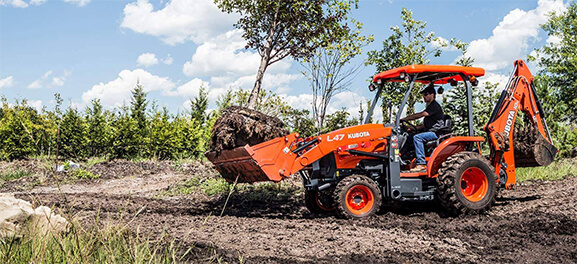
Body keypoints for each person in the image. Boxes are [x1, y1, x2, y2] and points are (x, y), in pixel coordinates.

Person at [400, 83, 444, 172]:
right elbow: (424, 125)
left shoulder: (434, 106)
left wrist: (404, 119)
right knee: (409, 137)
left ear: (432, 95)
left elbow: (421, 115)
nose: (424, 97)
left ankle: (421, 164)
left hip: (436, 133)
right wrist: (412, 128)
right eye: (423, 95)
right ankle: (404, 159)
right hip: (430, 131)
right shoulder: (429, 106)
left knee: (417, 138)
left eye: (426, 94)